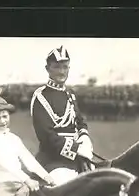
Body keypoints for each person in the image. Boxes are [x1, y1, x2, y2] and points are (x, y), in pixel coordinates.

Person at [30, 45, 94, 186]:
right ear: (48, 69)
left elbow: (80, 122)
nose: (62, 72)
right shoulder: (40, 96)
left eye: (65, 67)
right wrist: (76, 149)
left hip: (77, 159)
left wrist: (84, 138)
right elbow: (46, 136)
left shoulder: (70, 95)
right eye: (57, 67)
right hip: (53, 160)